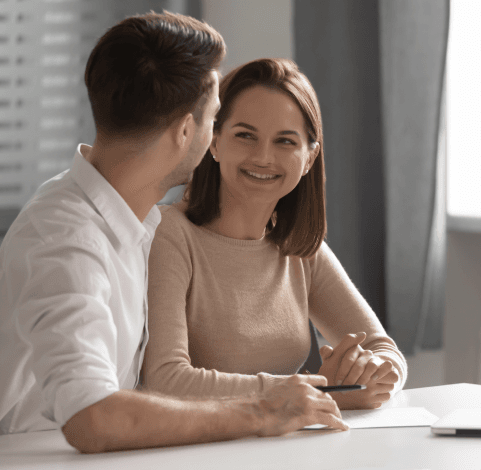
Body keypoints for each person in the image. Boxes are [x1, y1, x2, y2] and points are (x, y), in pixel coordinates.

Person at [0, 13, 348, 453]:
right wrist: (264, 411)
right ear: (184, 132)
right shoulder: (65, 240)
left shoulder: (126, 220)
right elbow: (92, 419)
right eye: (215, 119)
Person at [143, 58, 408, 411]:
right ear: (215, 142)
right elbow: (167, 380)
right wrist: (315, 391)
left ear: (309, 157)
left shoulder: (298, 246)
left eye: (285, 141)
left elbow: (386, 351)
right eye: (245, 136)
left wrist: (371, 374)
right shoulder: (169, 234)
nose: (263, 157)